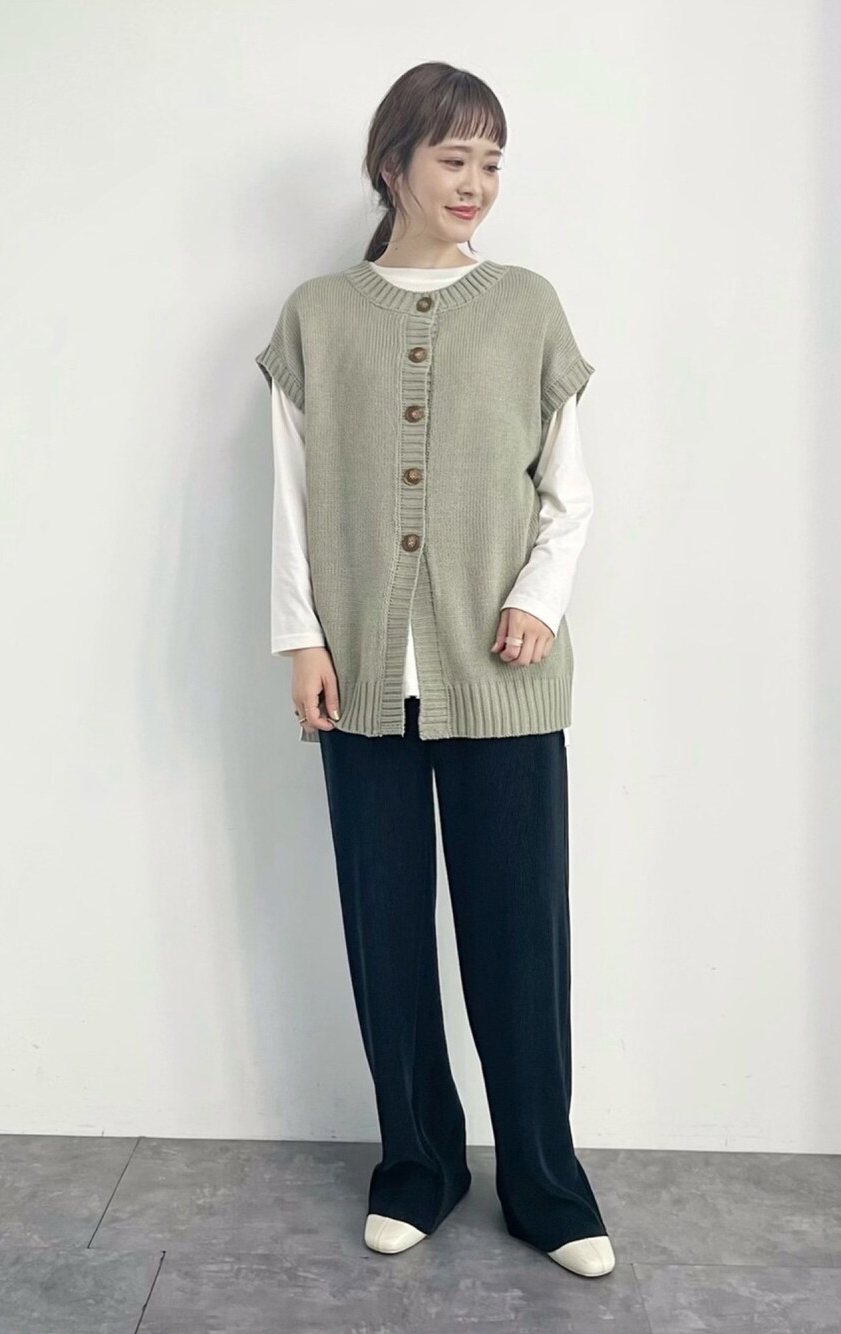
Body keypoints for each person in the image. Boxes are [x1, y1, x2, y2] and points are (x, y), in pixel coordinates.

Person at [255, 61, 614, 1281]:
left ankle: (546, 1184)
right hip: (358, 674)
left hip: (501, 676)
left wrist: (535, 603)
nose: (475, 183)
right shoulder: (317, 316)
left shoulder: (525, 306)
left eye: (491, 162)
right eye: (453, 157)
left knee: (520, 939)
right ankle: (417, 1162)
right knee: (387, 934)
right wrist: (300, 637)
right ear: (392, 164)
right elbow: (289, 499)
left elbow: (567, 494)